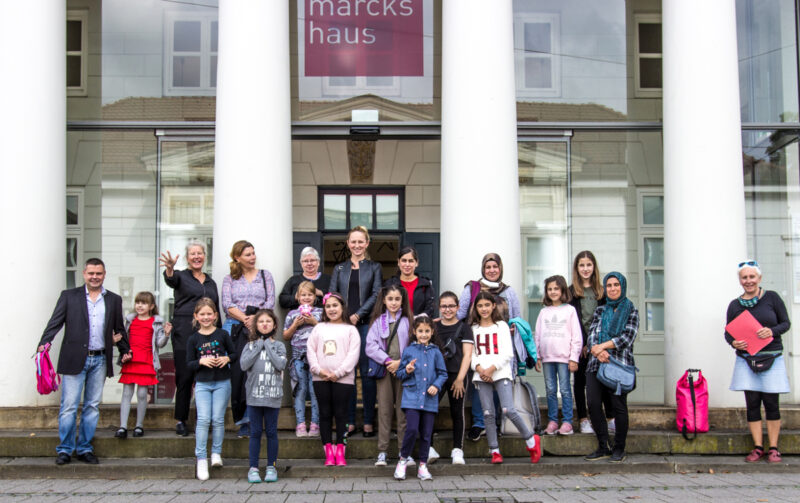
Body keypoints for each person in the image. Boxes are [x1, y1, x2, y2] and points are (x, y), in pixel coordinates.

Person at [38, 257, 130, 466]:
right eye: (91, 273)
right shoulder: (69, 296)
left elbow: (119, 328)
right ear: (84, 274)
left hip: (99, 359)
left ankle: (85, 448)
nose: (95, 277)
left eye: (99, 273)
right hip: (74, 359)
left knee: (92, 406)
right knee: (69, 406)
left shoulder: (113, 299)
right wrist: (44, 342)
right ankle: (65, 449)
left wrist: (125, 350)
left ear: (104, 275)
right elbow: (55, 322)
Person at [725, 260, 791, 464]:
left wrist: (771, 331)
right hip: (747, 360)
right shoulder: (735, 305)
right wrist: (734, 342)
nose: (748, 281)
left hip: (772, 357)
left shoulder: (772, 298)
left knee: (772, 404)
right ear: (740, 280)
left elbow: (786, 323)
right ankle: (757, 447)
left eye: (752, 277)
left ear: (759, 278)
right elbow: (728, 332)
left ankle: (773, 448)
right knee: (752, 404)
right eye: (744, 277)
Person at [469, 292, 541, 465]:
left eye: (487, 305)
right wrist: (480, 369)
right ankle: (494, 450)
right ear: (476, 308)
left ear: (493, 306)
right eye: (480, 306)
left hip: (500, 372)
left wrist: (492, 369)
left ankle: (531, 440)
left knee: (509, 409)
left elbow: (507, 353)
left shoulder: (501, 326)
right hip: (481, 375)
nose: (484, 309)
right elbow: (471, 355)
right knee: (488, 413)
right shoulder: (473, 329)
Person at [457, 253, 522, 442]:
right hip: (479, 344)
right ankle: (479, 423)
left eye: (495, 266)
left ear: (500, 268)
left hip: (501, 346)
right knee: (481, 382)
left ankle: (497, 423)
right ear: (483, 269)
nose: (492, 270)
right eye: (488, 267)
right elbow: (461, 313)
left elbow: (517, 317)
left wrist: (513, 328)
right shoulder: (472, 288)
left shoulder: (508, 291)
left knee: (499, 382)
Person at [160, 241, 220, 437]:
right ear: (187, 258)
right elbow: (170, 280)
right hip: (184, 332)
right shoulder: (181, 276)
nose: (196, 256)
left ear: (205, 256)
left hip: (208, 334)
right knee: (185, 377)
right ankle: (181, 419)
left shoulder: (210, 282)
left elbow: (216, 309)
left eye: (200, 253)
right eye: (193, 254)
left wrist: (218, 334)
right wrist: (170, 268)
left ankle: (205, 420)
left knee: (207, 377)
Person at [329, 226, 382, 437]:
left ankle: (368, 421)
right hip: (343, 327)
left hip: (366, 324)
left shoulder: (375, 267)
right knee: (347, 373)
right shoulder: (339, 269)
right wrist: (343, 317)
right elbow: (333, 296)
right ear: (348, 244)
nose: (357, 245)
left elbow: (377, 293)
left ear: (367, 244)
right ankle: (349, 421)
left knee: (368, 374)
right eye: (353, 242)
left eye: (361, 242)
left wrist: (358, 315)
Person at [221, 240, 276, 438]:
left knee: (257, 373)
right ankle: (242, 420)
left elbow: (270, 301)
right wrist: (245, 319)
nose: (252, 257)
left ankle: (255, 420)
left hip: (260, 326)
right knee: (238, 375)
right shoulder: (229, 279)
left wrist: (256, 319)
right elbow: (227, 304)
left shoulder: (265, 275)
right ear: (237, 257)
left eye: (253, 253)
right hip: (236, 328)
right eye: (248, 255)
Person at [584, 272, 638, 463]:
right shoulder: (600, 310)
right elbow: (591, 335)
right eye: (609, 285)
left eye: (616, 285)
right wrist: (597, 351)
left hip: (619, 365)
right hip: (595, 364)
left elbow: (627, 338)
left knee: (618, 407)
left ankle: (619, 448)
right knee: (592, 403)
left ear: (622, 287)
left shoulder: (631, 310)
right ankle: (603, 446)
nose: (613, 288)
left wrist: (603, 347)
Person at [306, 293, 361, 466]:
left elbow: (353, 355)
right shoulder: (319, 328)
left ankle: (340, 451)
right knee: (324, 413)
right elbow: (311, 350)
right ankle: (328, 452)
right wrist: (318, 370)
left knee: (341, 414)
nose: (331, 309)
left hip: (343, 380)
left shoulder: (351, 329)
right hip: (320, 378)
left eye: (335, 305)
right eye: (328, 306)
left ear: (342, 307)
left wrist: (338, 373)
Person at [186, 298, 236, 481]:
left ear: (215, 315)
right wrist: (201, 361)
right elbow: (189, 363)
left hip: (222, 382)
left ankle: (216, 453)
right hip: (203, 383)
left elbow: (234, 354)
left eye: (209, 314)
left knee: (217, 419)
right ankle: (201, 458)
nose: (206, 317)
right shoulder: (193, 338)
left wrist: (226, 359)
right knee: (203, 419)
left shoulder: (222, 334)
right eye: (202, 314)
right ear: (196, 316)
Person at [393, 316, 448, 481]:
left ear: (432, 332)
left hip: (430, 399)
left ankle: (423, 465)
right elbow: (400, 374)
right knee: (411, 429)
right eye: (420, 331)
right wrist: (408, 370)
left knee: (426, 433)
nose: (423, 334)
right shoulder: (409, 351)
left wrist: (436, 385)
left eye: (427, 331)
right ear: (414, 332)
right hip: (412, 397)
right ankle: (403, 460)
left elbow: (443, 373)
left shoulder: (436, 351)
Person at [365, 285, 413, 467]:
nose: (393, 302)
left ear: (402, 301)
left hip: (404, 369)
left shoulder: (409, 321)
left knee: (403, 411)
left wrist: (400, 362)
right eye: (390, 299)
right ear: (384, 300)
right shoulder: (378, 322)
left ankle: (404, 451)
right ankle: (383, 451)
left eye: (397, 299)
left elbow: (415, 344)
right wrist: (387, 361)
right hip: (385, 369)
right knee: (385, 410)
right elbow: (370, 346)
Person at [568, 250, 614, 435]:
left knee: (604, 380)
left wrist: (597, 344)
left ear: (594, 267)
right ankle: (583, 419)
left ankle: (610, 418)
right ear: (576, 268)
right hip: (580, 345)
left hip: (599, 345)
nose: (585, 269)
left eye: (589, 265)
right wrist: (582, 343)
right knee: (580, 383)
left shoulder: (601, 292)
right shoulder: (571, 292)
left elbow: (606, 319)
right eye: (581, 265)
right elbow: (572, 322)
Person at [115, 291, 171, 439]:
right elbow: (123, 340)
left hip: (146, 361)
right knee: (126, 393)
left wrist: (166, 334)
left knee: (141, 394)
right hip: (131, 360)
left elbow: (159, 344)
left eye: (144, 303)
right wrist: (119, 344)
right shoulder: (129, 321)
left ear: (151, 306)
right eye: (137, 302)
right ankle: (123, 427)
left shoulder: (156, 322)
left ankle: (139, 425)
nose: (139, 305)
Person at [240, 309, 287, 483]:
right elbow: (244, 365)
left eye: (268, 321)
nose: (265, 324)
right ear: (255, 325)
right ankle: (253, 468)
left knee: (272, 432)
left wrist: (267, 345)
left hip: (273, 396)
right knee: (256, 432)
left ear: (274, 325)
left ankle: (271, 466)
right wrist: (259, 345)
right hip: (254, 396)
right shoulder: (250, 346)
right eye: (261, 322)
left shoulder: (279, 345)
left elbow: (280, 364)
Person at [535, 275, 581, 436]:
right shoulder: (543, 312)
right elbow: (538, 336)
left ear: (562, 290)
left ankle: (567, 422)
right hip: (548, 358)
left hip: (564, 358)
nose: (553, 292)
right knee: (550, 390)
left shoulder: (570, 310)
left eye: (556, 288)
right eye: (550, 289)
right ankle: (553, 421)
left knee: (566, 390)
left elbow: (576, 336)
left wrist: (574, 357)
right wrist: (537, 356)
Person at [434, 291, 474, 465]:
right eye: (444, 306)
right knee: (429, 410)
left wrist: (460, 378)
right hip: (437, 377)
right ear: (439, 308)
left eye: (451, 306)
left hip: (457, 375)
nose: (448, 309)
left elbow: (467, 355)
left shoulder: (465, 328)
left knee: (457, 412)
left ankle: (457, 449)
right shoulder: (434, 327)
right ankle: (427, 448)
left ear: (458, 307)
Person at [283, 281, 322, 438]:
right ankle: (300, 424)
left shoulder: (320, 313)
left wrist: (314, 322)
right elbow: (285, 336)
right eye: (303, 295)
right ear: (297, 297)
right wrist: (295, 325)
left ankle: (314, 424)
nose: (306, 298)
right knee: (300, 390)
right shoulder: (292, 314)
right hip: (298, 358)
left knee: (315, 391)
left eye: (309, 295)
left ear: (314, 297)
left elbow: (328, 332)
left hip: (317, 358)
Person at [384, 246, 435, 318]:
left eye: (411, 261)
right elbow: (383, 307)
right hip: (395, 326)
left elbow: (430, 308)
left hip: (418, 326)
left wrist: (417, 319)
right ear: (398, 262)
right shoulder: (389, 284)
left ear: (416, 263)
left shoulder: (425, 284)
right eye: (404, 260)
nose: (407, 264)